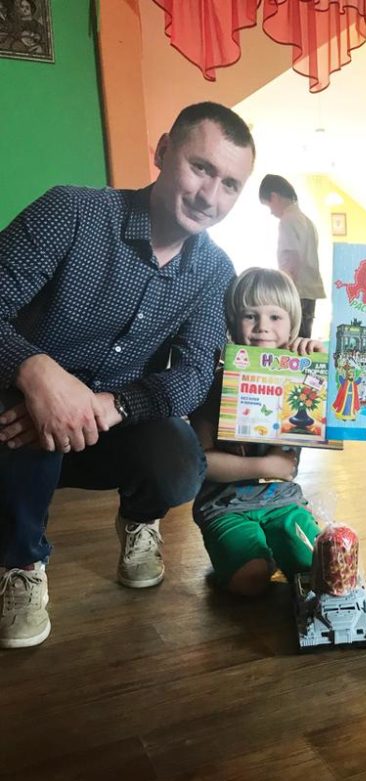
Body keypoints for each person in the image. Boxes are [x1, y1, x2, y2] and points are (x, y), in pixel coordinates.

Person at [0, 101, 255, 648]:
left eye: (231, 184)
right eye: (201, 168)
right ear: (163, 151)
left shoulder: (215, 271)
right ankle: (20, 563)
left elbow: (194, 374)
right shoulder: (71, 212)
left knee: (180, 462)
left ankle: (141, 518)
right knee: (23, 426)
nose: (210, 196)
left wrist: (110, 405)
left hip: (113, 418)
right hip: (22, 411)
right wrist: (34, 370)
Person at [191, 268, 322, 597]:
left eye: (275, 317)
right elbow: (203, 463)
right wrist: (266, 466)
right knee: (250, 583)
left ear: (292, 325)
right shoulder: (214, 383)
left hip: (284, 502)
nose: (263, 326)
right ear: (233, 323)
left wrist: (321, 362)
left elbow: (340, 413)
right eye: (250, 315)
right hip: (224, 506)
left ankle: (269, 548)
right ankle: (250, 555)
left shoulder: (303, 376)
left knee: (320, 568)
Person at [258, 174, 325, 337]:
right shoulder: (307, 221)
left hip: (296, 291)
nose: (271, 212)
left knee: (291, 340)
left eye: (268, 206)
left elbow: (291, 259)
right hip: (310, 292)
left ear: (274, 197)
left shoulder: (288, 220)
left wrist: (281, 291)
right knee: (303, 339)